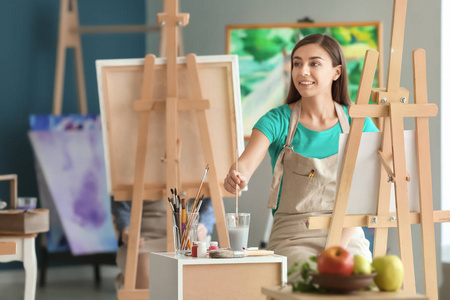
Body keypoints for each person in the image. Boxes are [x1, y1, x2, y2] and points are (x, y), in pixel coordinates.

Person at [224, 34, 378, 280]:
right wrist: (237, 175)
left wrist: (335, 248)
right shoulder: (276, 120)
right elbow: (245, 163)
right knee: (306, 281)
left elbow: (370, 193)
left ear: (336, 72)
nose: (302, 71)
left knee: (357, 284)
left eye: (314, 63)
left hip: (346, 235)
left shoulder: (359, 123)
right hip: (292, 237)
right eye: (297, 63)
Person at [111, 197, 215, 289]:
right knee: (146, 271)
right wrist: (127, 229)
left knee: (194, 276)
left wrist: (204, 224)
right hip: (145, 238)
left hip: (189, 237)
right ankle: (129, 281)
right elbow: (121, 205)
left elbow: (212, 199)